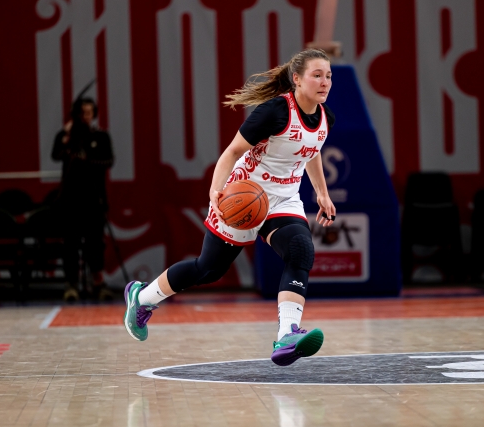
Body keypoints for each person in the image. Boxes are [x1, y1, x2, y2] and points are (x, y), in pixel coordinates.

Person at [123, 49, 337, 366]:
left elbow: (312, 150)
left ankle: (287, 334)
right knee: (208, 269)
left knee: (300, 250)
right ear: (297, 79)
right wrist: (216, 190)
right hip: (245, 193)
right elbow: (233, 151)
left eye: (328, 76)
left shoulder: (325, 118)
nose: (325, 82)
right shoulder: (274, 111)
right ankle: (141, 298)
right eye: (317, 75)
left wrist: (322, 193)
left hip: (284, 199)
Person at [52, 97, 114, 300]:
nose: (86, 116)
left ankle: (98, 282)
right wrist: (67, 136)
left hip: (94, 198)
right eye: (82, 113)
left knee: (95, 242)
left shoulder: (101, 136)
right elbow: (56, 154)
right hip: (71, 198)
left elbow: (108, 161)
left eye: (89, 112)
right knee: (71, 242)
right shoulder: (68, 136)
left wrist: (87, 161)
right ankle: (71, 283)